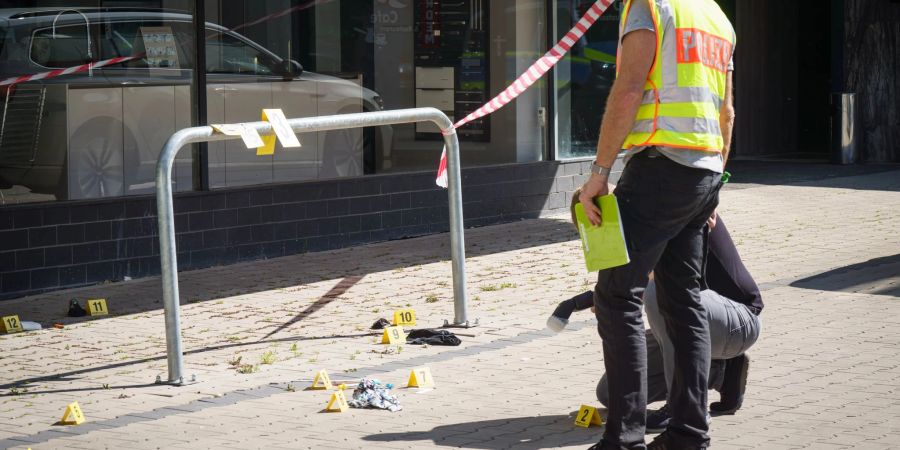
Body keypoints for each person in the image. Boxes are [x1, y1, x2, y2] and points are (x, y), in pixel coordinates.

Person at [577, 0, 736, 448]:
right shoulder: (715, 16)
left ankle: (623, 439)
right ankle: (688, 434)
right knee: (683, 301)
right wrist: (713, 183)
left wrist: (599, 174)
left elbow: (628, 89)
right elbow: (727, 113)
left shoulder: (650, 5)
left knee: (616, 296)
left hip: (660, 164)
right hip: (703, 169)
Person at [549, 201, 763, 432]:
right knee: (612, 394)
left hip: (740, 321)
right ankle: (722, 372)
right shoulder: (635, 231)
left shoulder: (670, 214)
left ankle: (681, 408)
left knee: (659, 290)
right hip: (698, 323)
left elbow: (650, 281)